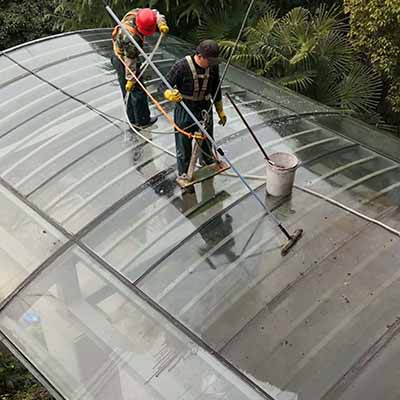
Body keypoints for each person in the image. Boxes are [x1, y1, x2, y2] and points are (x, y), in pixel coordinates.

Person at [159, 40, 227, 181]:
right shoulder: (181, 66)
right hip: (185, 108)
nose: (212, 63)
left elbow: (216, 89)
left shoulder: (213, 68)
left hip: (204, 108)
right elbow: (162, 85)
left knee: (207, 139)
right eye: (209, 60)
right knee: (184, 144)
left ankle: (208, 163)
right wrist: (168, 94)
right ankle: (184, 173)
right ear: (200, 56)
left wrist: (220, 110)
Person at [111, 8, 169, 128]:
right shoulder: (130, 38)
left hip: (126, 55)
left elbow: (155, 13)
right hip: (122, 60)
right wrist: (131, 79)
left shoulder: (139, 14)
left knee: (131, 90)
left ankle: (134, 119)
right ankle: (142, 121)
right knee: (136, 90)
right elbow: (130, 63)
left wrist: (161, 23)